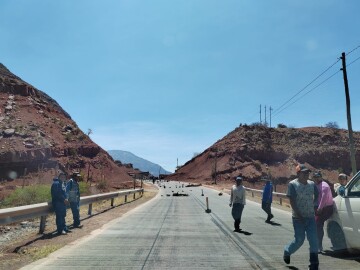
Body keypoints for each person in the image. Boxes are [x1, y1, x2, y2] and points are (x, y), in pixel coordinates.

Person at [283, 164, 319, 270]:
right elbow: (292, 202)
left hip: (310, 217)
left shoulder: (312, 184)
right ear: (298, 173)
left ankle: (314, 265)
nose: (306, 174)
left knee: (313, 241)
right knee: (299, 240)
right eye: (304, 172)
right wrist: (299, 216)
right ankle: (287, 251)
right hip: (298, 218)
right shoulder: (293, 185)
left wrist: (315, 206)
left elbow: (317, 195)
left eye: (307, 172)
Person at [312, 171, 334, 253]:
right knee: (316, 225)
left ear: (321, 177)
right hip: (320, 207)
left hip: (326, 208)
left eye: (318, 177)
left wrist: (319, 208)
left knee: (318, 225)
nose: (316, 178)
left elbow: (323, 198)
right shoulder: (317, 185)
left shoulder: (324, 186)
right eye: (315, 177)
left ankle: (319, 246)